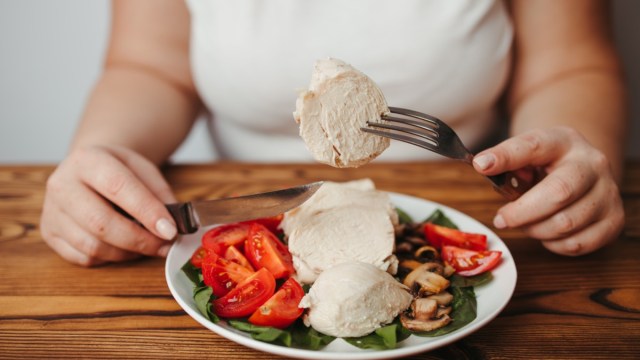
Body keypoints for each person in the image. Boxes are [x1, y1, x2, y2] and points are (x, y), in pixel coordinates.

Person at [40, 0, 627, 266]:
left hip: (471, 199)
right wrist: (102, 157)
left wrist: (569, 159)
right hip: (256, 217)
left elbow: (569, 62)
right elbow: (149, 67)